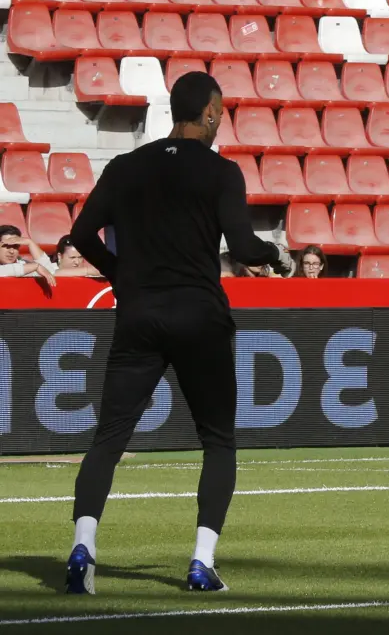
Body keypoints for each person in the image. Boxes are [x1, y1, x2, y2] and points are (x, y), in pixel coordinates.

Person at [65, 71, 293, 594]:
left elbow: (80, 234)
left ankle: (84, 546)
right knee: (217, 440)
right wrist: (276, 255)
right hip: (199, 315)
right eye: (220, 113)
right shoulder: (221, 172)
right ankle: (201, 562)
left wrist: (121, 273)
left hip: (139, 315)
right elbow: (241, 243)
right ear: (211, 113)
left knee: (108, 439)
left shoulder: (125, 167)